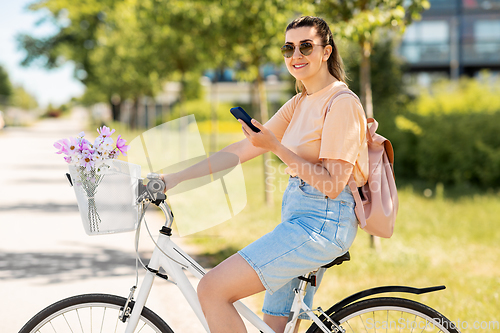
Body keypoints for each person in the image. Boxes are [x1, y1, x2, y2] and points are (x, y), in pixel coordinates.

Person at [161, 16, 368, 333]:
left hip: (323, 223)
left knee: (212, 289)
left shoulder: (341, 103)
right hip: (299, 220)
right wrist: (171, 179)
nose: (295, 55)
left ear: (326, 52)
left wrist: (276, 147)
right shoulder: (300, 102)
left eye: (305, 46)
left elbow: (332, 184)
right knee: (275, 328)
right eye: (289, 48)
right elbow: (239, 151)